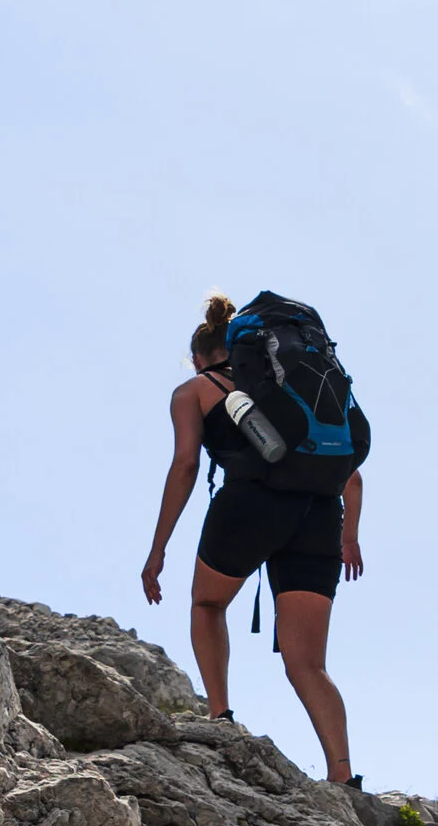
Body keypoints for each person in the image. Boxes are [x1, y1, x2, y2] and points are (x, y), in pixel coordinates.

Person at [142, 289, 365, 788]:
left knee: (207, 606)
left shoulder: (194, 390)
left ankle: (220, 717)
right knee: (308, 663)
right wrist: (349, 535)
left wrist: (158, 550)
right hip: (319, 512)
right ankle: (343, 776)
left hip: (250, 506)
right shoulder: (299, 390)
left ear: (200, 355)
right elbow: (351, 473)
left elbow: (185, 466)